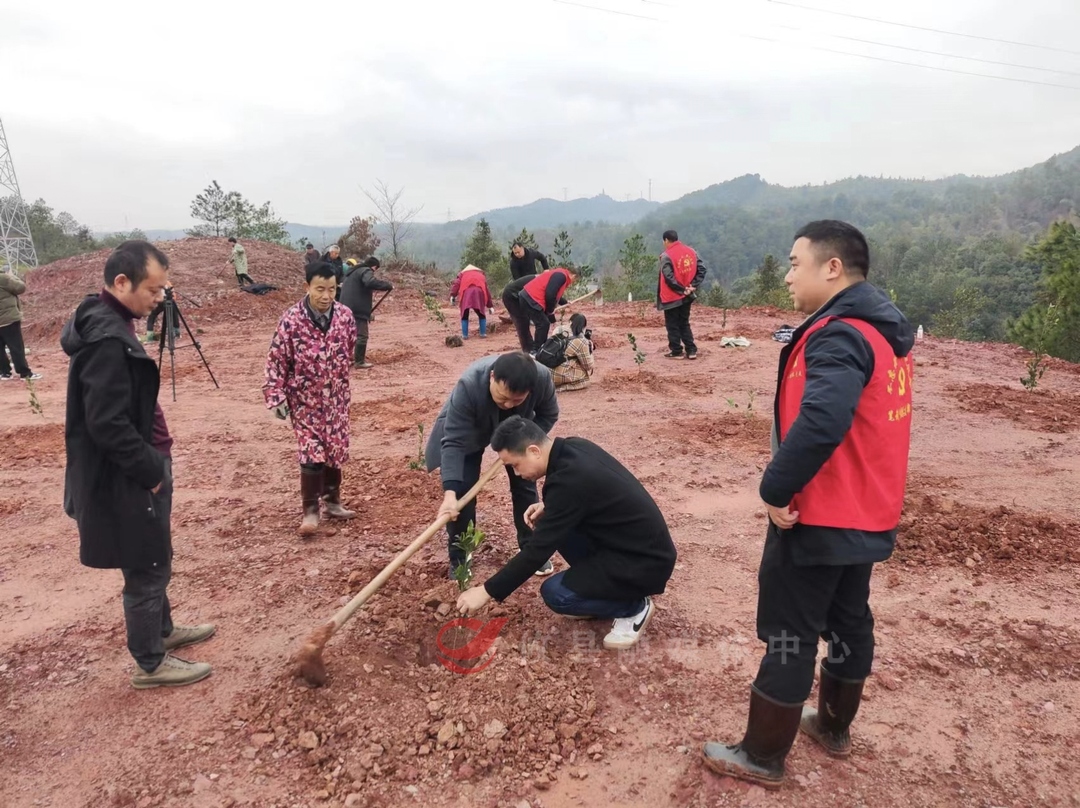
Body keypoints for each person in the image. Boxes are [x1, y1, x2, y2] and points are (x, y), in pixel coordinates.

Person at [702, 220, 914, 789]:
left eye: (796, 263)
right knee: (849, 619)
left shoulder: (839, 334)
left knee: (789, 632)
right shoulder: (882, 334)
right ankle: (834, 727)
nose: (788, 274)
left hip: (820, 514)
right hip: (867, 512)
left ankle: (763, 754)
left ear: (832, 268)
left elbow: (824, 419)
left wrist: (774, 489)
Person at [61, 240, 215, 689]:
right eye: (153, 290)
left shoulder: (112, 322)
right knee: (146, 564)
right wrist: (149, 470)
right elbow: (106, 424)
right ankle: (150, 662)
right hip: (130, 476)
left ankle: (162, 632)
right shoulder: (107, 340)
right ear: (122, 282)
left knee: (154, 554)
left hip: (141, 467)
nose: (159, 299)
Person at [456, 416, 676, 650]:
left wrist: (486, 591)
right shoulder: (573, 448)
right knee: (546, 522)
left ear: (533, 451)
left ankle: (633, 608)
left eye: (515, 465)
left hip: (643, 563)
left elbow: (537, 552)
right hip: (633, 546)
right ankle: (603, 593)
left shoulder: (568, 481)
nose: (517, 474)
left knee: (557, 595)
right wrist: (550, 509)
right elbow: (587, 499)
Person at [427, 352, 559, 577]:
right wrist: (449, 493)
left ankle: (531, 550)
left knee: (525, 484)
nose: (508, 404)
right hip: (470, 432)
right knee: (462, 493)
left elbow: (549, 414)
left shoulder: (542, 378)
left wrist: (522, 445)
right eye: (502, 397)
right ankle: (461, 558)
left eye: (516, 400)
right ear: (492, 377)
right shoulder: (469, 386)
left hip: (517, 430)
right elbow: (454, 441)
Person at [264, 262, 358, 536]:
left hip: (337, 399)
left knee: (334, 449)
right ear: (307, 287)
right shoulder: (291, 320)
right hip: (304, 400)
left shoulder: (345, 316)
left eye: (331, 289)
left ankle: (333, 501)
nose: (326, 295)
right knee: (311, 450)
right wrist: (276, 395)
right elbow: (276, 360)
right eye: (320, 289)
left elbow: (349, 349)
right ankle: (310, 511)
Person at [657, 229, 707, 360]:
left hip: (672, 296)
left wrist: (681, 289)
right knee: (684, 322)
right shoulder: (691, 251)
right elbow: (701, 269)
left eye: (664, 241)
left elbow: (669, 277)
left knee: (672, 324)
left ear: (666, 240)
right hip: (687, 296)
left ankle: (677, 351)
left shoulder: (666, 256)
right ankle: (691, 350)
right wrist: (692, 286)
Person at [341, 256, 393, 369]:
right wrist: (387, 285)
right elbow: (369, 282)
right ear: (374, 267)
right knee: (362, 335)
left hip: (344, 308)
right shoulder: (366, 270)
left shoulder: (351, 273)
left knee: (347, 335)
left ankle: (343, 359)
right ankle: (359, 361)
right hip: (357, 309)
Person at [519, 267, 575, 353]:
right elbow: (550, 294)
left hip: (528, 297)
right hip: (531, 298)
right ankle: (536, 351)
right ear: (573, 275)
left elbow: (554, 295)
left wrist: (565, 302)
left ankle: (538, 349)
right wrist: (550, 311)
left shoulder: (560, 274)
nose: (573, 283)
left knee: (543, 323)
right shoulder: (562, 276)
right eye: (575, 280)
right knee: (543, 324)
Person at [0, 268, 41, 381]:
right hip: (8, 319)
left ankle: (4, 373)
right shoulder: (3, 278)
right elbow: (20, 288)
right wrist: (12, 276)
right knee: (16, 347)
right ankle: (24, 373)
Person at [550, 313, 595, 391]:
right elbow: (588, 365)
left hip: (548, 372)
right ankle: (562, 388)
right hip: (560, 374)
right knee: (585, 381)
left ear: (570, 321)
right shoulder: (580, 341)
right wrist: (589, 350)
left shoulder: (558, 329)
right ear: (583, 327)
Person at [450, 264, 494, 340]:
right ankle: (483, 333)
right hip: (479, 293)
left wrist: (453, 295)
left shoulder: (462, 274)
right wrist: (490, 306)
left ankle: (465, 335)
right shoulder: (481, 275)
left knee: (465, 314)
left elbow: (456, 284)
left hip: (466, 293)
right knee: (481, 314)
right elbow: (486, 291)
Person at [501, 273, 536, 353]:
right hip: (511, 296)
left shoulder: (543, 279)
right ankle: (528, 349)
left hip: (518, 296)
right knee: (522, 321)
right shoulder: (542, 281)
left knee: (524, 320)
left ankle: (530, 347)